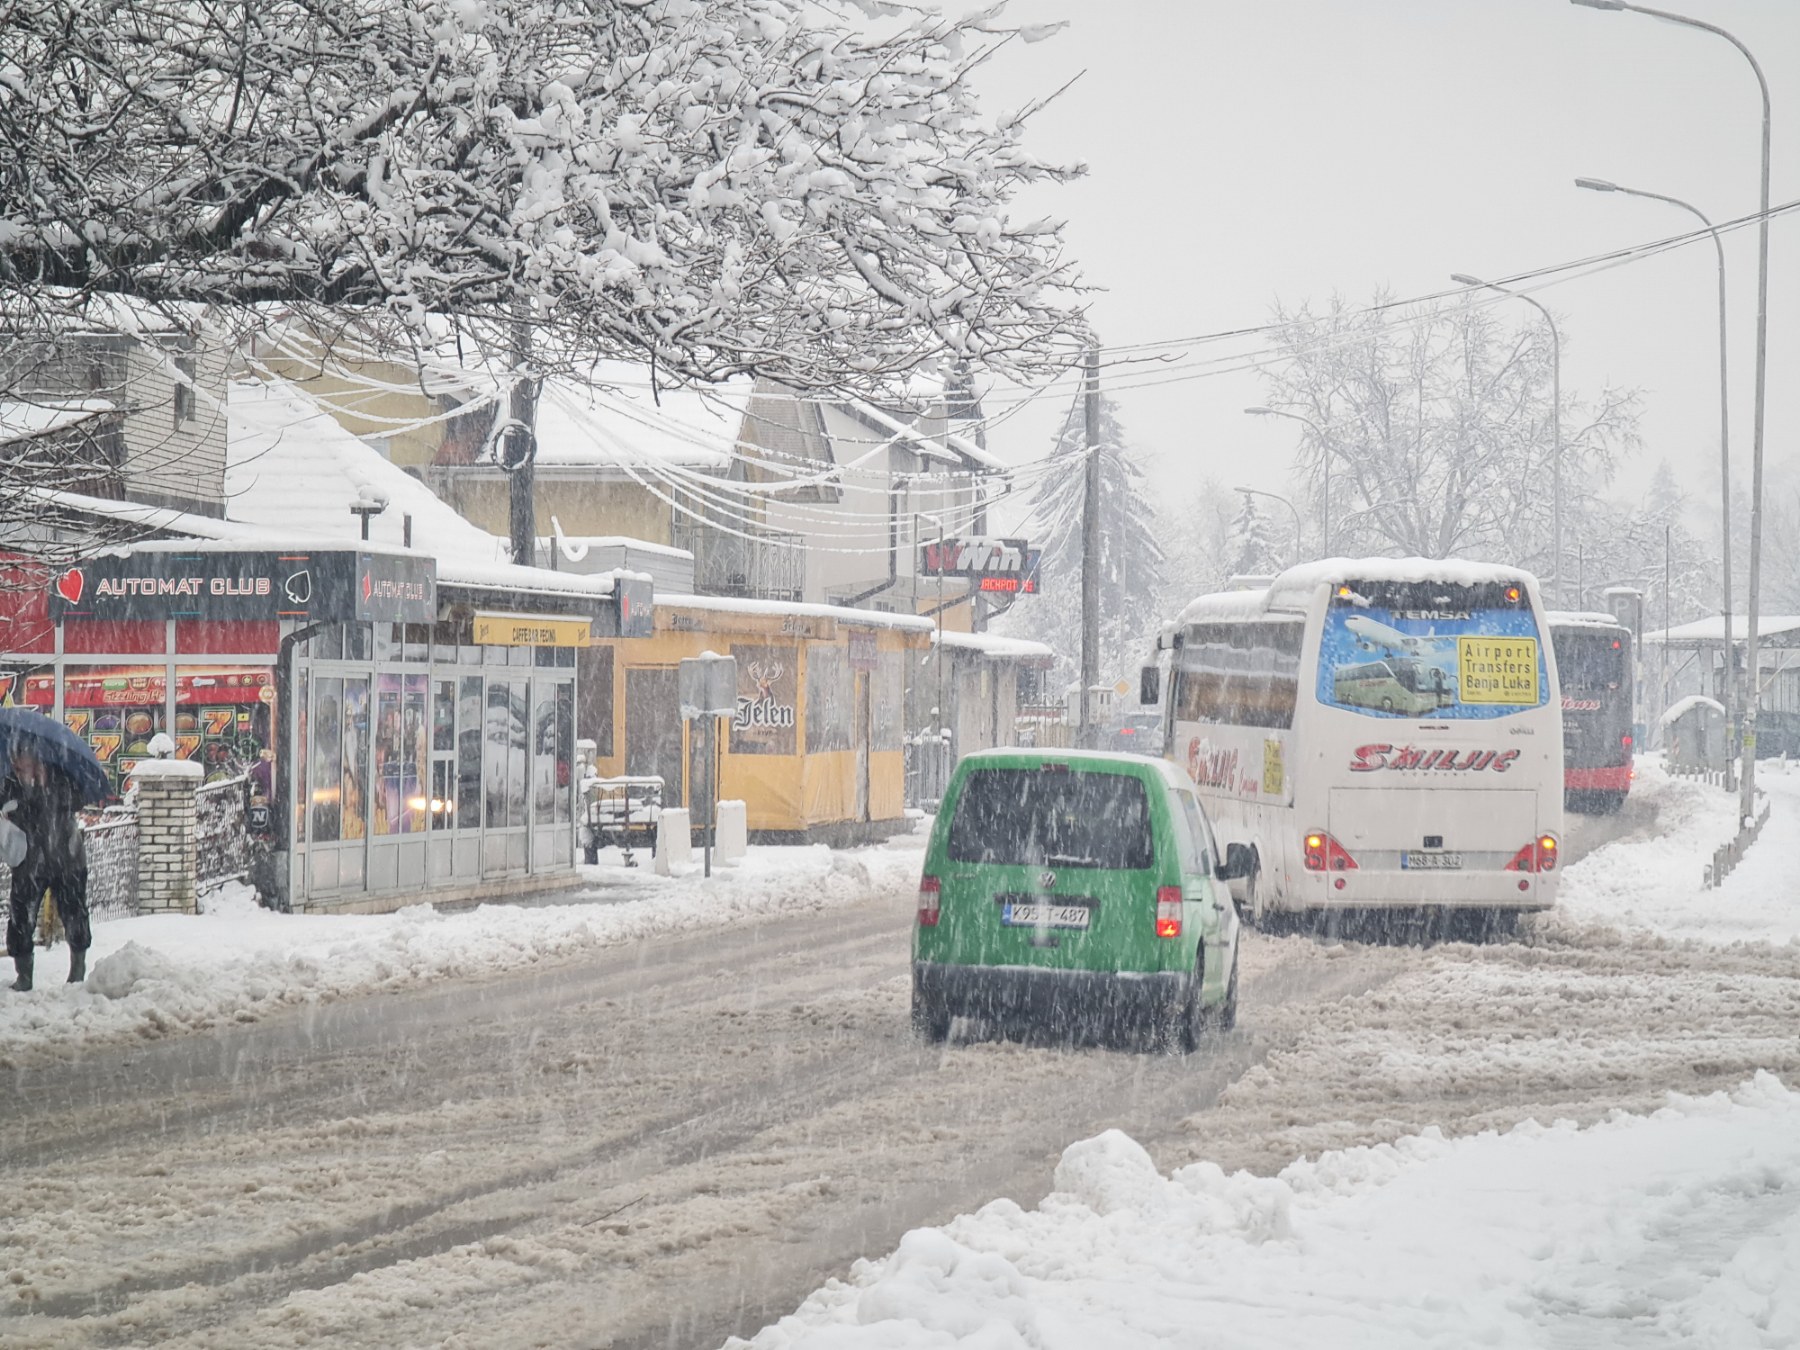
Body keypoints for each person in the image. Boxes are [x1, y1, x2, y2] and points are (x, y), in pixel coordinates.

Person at [3, 747, 90, 990]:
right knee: (21, 916)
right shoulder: (10, 781)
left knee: (74, 912)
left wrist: (41, 787)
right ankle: (24, 976)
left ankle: (77, 970)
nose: (16, 766)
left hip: (67, 858)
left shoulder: (62, 777)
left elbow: (77, 801)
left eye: (20, 761)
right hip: (29, 860)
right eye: (14, 762)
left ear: (35, 758)